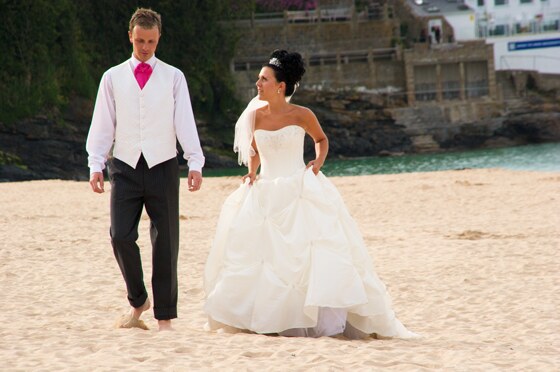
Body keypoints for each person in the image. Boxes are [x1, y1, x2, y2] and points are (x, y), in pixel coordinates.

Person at [203, 50, 418, 339]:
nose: (258, 84)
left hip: (299, 186)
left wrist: (318, 163)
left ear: (280, 86)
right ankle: (266, 319)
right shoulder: (253, 117)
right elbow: (254, 153)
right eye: (259, 79)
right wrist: (252, 172)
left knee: (314, 252)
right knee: (262, 258)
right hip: (266, 191)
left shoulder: (302, 114)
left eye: (264, 79)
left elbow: (321, 140)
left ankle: (320, 322)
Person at [86, 8, 204, 331]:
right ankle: (139, 300)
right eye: (140, 40)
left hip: (163, 165)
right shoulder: (111, 77)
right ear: (130, 37)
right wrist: (96, 163)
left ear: (159, 38)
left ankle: (164, 316)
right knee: (120, 236)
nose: (145, 47)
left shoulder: (174, 77)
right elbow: (103, 124)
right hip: (123, 166)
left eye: (151, 41)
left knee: (165, 242)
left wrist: (195, 160)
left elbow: (185, 122)